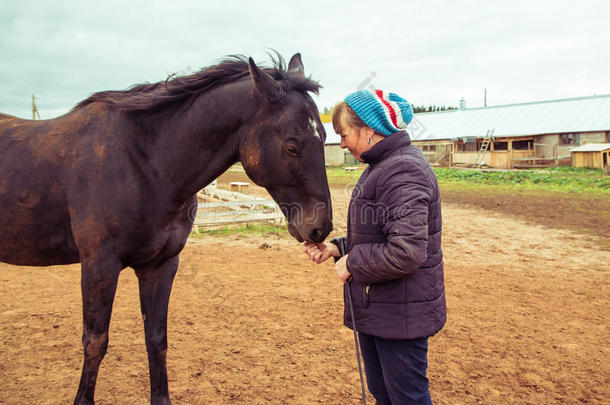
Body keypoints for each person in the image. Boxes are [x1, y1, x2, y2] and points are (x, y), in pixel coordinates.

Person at [303, 89, 446, 405]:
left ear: (368, 130)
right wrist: (336, 249)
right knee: (384, 393)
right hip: (383, 306)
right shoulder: (383, 165)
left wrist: (353, 263)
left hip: (399, 312)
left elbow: (406, 251)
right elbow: (379, 235)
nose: (341, 143)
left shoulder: (402, 170)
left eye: (344, 134)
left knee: (407, 398)